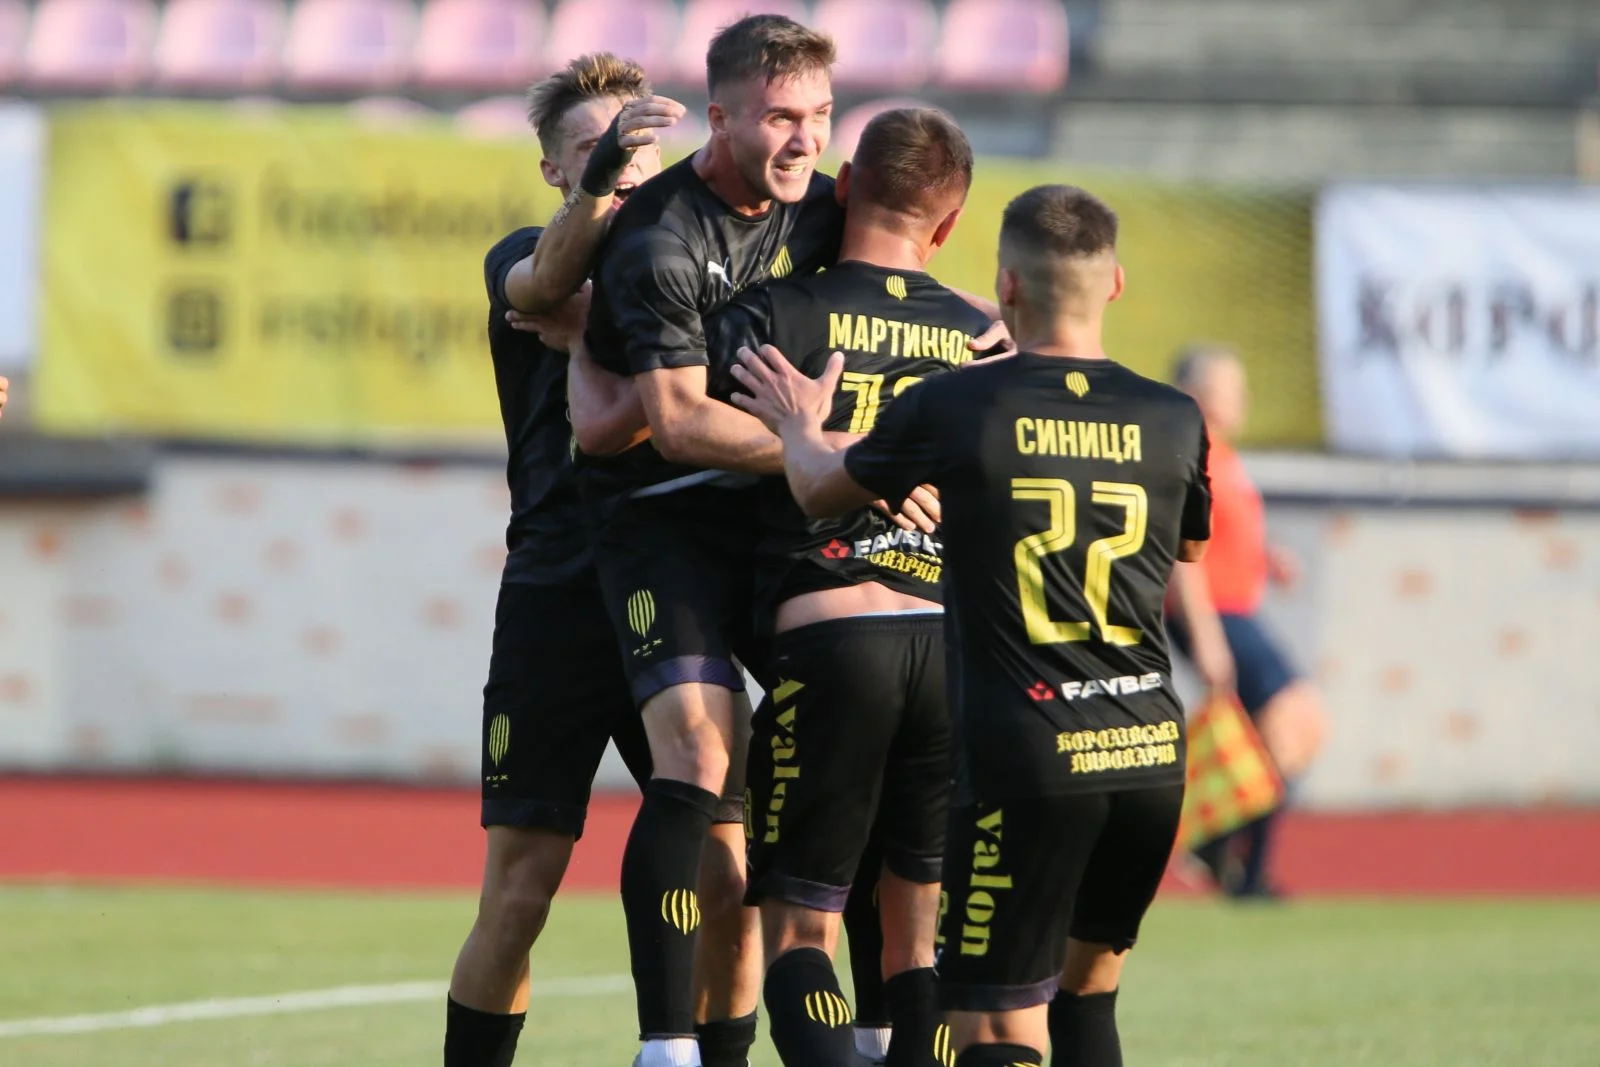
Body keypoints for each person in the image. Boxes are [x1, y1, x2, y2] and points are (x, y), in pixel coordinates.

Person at [730, 184, 1212, 1067]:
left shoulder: (961, 405)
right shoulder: (1176, 416)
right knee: (1087, 998)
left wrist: (801, 425)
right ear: (1115, 284)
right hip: (1149, 751)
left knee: (994, 1025)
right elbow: (1188, 548)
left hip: (1029, 752)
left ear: (1006, 285)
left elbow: (817, 490)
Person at [574, 18, 846, 1067]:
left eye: (820, 116)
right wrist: (833, 456)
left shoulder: (822, 205)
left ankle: (882, 1032)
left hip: (769, 517)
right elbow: (679, 423)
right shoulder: (659, 236)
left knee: (875, 720)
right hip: (659, 523)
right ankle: (666, 1048)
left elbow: (902, 267)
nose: (804, 139)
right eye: (780, 118)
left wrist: (987, 333)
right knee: (696, 752)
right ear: (720, 117)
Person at [702, 106, 990, 1067]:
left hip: (832, 635)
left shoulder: (772, 315)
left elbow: (671, 424)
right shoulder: (985, 340)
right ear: (949, 222)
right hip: (949, 649)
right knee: (917, 939)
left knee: (800, 933)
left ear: (846, 184)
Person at [440, 53, 678, 1067]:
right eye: (594, 147)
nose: (622, 160)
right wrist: (601, 191)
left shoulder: (695, 269)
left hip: (675, 589)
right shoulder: (523, 260)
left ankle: (677, 1048)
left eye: (636, 143)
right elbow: (544, 282)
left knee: (725, 853)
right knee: (521, 889)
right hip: (556, 594)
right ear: (554, 170)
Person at [1167, 344, 1327, 899]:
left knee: (1288, 730)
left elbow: (1223, 534)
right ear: (1197, 394)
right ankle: (1240, 864)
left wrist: (1267, 555)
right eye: (1230, 388)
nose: (1243, 398)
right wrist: (1207, 638)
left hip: (1237, 608)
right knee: (1291, 719)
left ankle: (1226, 852)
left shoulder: (1223, 454)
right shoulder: (1192, 452)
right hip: (1214, 613)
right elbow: (1183, 554)